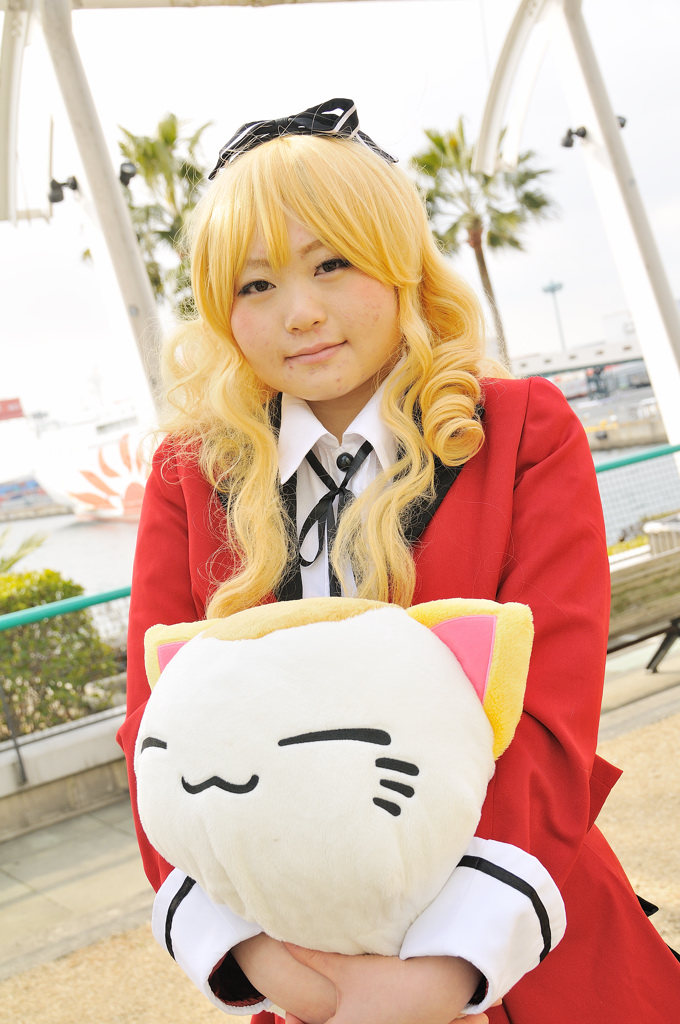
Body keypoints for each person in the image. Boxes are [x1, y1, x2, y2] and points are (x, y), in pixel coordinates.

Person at [118, 99, 680, 1023]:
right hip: (302, 963)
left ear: (399, 261)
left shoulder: (520, 433)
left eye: (331, 263)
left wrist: (445, 969)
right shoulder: (193, 476)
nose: (300, 312)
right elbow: (157, 735)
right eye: (255, 285)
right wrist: (269, 962)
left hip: (534, 947)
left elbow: (550, 714)